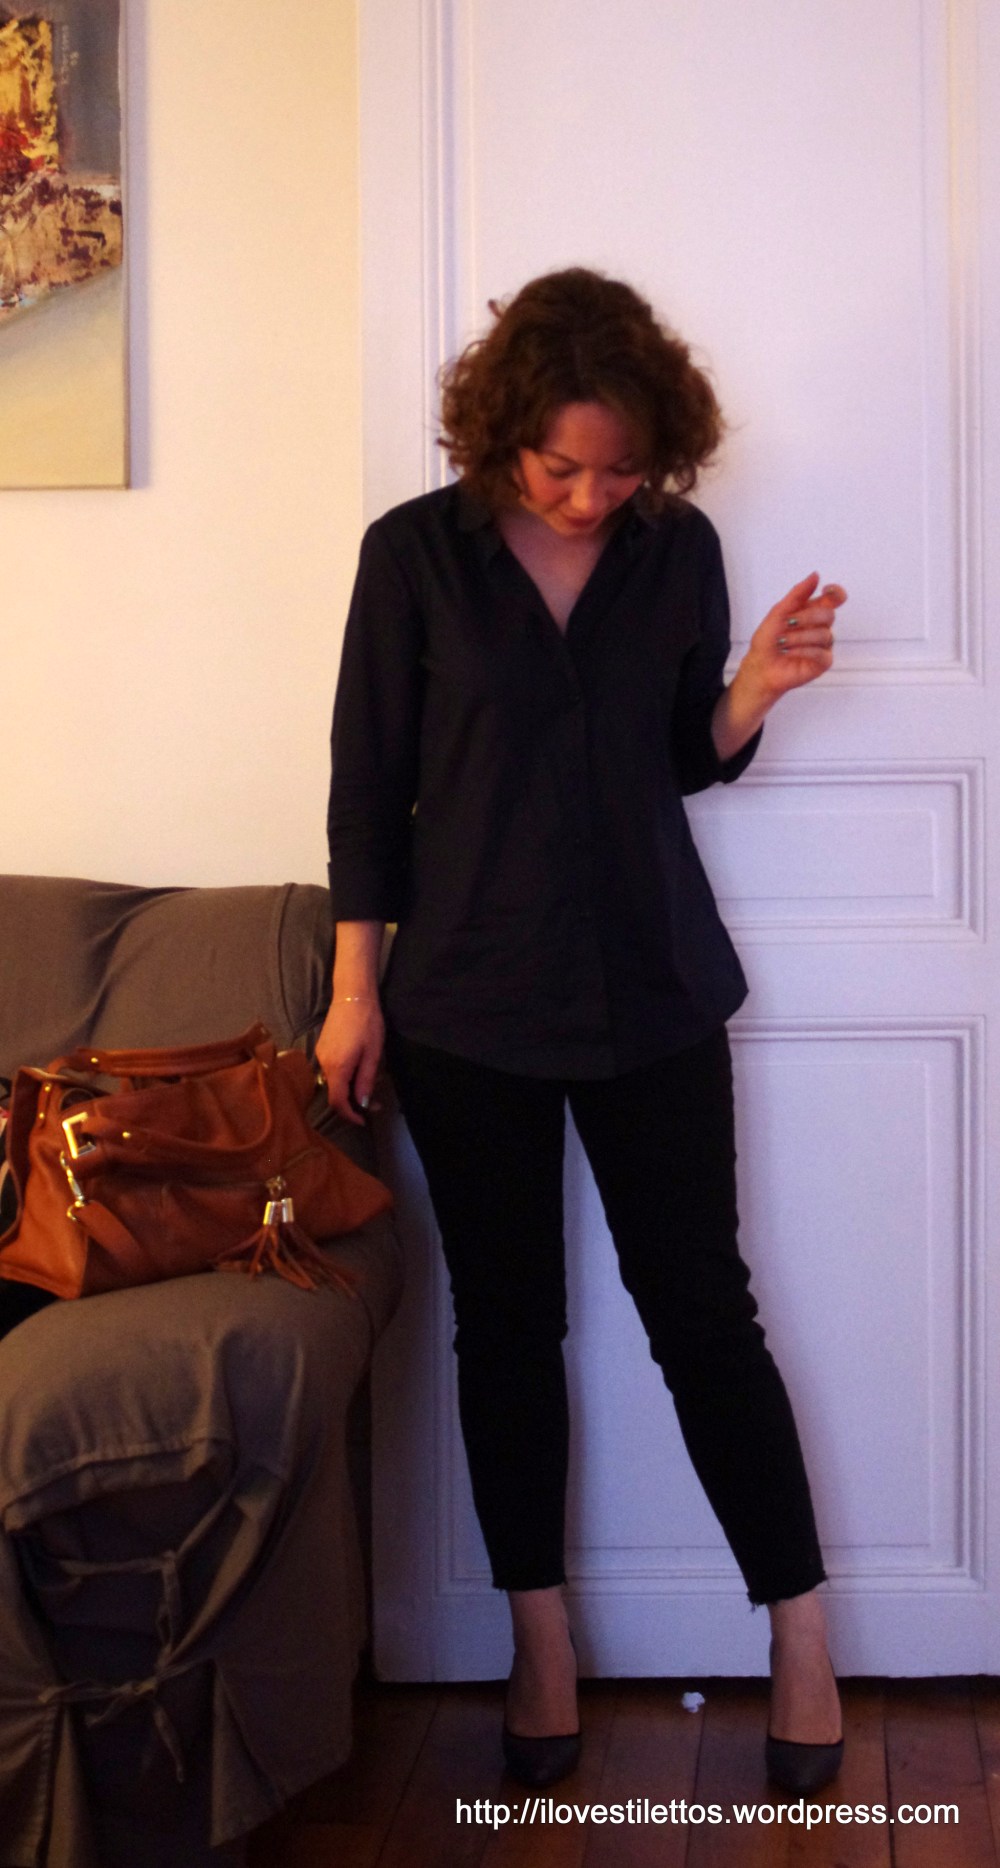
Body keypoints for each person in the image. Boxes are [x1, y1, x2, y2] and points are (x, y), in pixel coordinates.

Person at [317, 267, 847, 1794]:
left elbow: (675, 753)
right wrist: (353, 991)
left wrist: (749, 696)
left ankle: (800, 1632)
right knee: (507, 1325)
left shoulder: (679, 550)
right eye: (563, 468)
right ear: (501, 433)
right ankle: (536, 1636)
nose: (592, 497)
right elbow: (369, 790)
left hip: (654, 985)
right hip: (467, 1003)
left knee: (705, 1317)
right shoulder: (412, 556)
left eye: (621, 472)